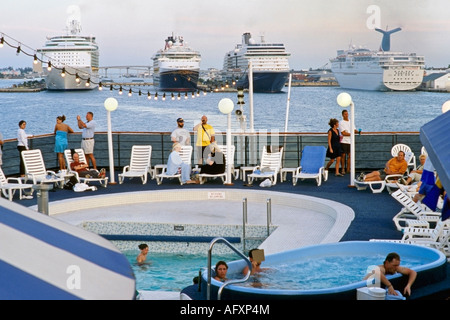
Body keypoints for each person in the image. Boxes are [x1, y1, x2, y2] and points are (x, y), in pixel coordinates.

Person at [339, 110, 359, 175]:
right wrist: (352, 134)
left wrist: (358, 132)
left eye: (347, 114)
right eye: (345, 114)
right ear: (342, 115)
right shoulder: (341, 123)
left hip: (351, 141)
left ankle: (348, 169)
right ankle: (342, 169)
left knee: (350, 155)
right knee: (343, 155)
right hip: (344, 141)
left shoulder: (351, 121)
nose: (346, 115)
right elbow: (343, 133)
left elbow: (354, 130)